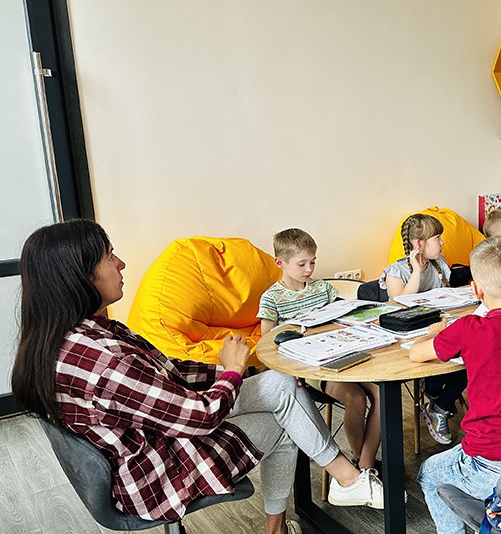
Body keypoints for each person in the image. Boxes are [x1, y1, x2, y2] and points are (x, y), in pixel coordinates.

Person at [10, 220, 384, 534]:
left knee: (282, 389)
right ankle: (341, 484)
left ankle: (334, 487)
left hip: (151, 438)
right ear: (80, 274)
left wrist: (231, 369)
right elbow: (198, 417)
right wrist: (233, 372)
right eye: (110, 256)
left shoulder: (73, 336)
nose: (121, 263)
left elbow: (168, 372)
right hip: (156, 471)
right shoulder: (104, 359)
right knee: (287, 416)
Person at [410, 237, 501, 534]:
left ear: (476, 289)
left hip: (489, 461)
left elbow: (416, 354)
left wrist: (434, 332)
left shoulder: (468, 329)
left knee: (428, 473)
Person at [259, 228, 381, 472]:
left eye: (313, 262)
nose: (309, 269)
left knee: (382, 393)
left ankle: (365, 464)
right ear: (280, 263)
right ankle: (361, 461)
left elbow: (342, 316)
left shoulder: (322, 288)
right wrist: (289, 371)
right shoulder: (272, 298)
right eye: (302, 264)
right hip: (312, 368)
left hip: (344, 353)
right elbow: (267, 343)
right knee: (356, 398)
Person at [379, 214, 464, 444]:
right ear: (419, 244)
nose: (442, 242)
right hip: (410, 338)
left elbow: (446, 295)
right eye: (437, 238)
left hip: (438, 327)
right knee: (444, 360)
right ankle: (437, 394)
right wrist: (416, 271)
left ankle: (440, 404)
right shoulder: (397, 271)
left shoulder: (438, 264)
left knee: (470, 355)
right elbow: (400, 305)